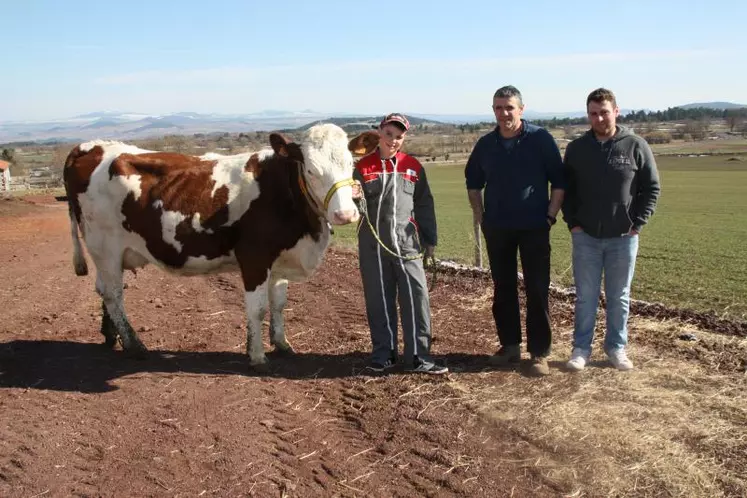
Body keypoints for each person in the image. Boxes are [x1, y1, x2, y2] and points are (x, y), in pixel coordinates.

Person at [465, 86, 565, 376]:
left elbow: (559, 182)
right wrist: (482, 217)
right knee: (503, 288)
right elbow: (473, 183)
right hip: (498, 229)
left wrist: (550, 217)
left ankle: (539, 354)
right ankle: (509, 347)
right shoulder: (486, 144)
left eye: (509, 107)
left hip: (535, 227)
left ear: (521, 109)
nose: (504, 113)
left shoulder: (540, 139)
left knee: (537, 289)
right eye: (498, 108)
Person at [562, 88, 661, 371]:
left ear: (616, 111)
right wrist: (574, 224)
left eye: (604, 112)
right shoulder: (577, 149)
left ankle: (616, 348)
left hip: (623, 238)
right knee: (585, 297)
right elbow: (566, 189)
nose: (599, 118)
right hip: (586, 237)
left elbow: (651, 188)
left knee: (619, 297)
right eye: (593, 113)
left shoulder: (635, 145)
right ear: (588, 115)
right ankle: (581, 349)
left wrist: (637, 222)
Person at [353, 112, 448, 375]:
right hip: (372, 246)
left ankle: (419, 357)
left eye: (399, 136)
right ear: (379, 133)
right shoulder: (362, 167)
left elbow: (424, 204)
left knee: (416, 298)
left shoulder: (413, 166)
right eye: (389, 135)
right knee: (379, 299)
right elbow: (351, 206)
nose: (393, 140)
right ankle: (384, 354)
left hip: (407, 245)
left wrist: (430, 239)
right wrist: (352, 196)